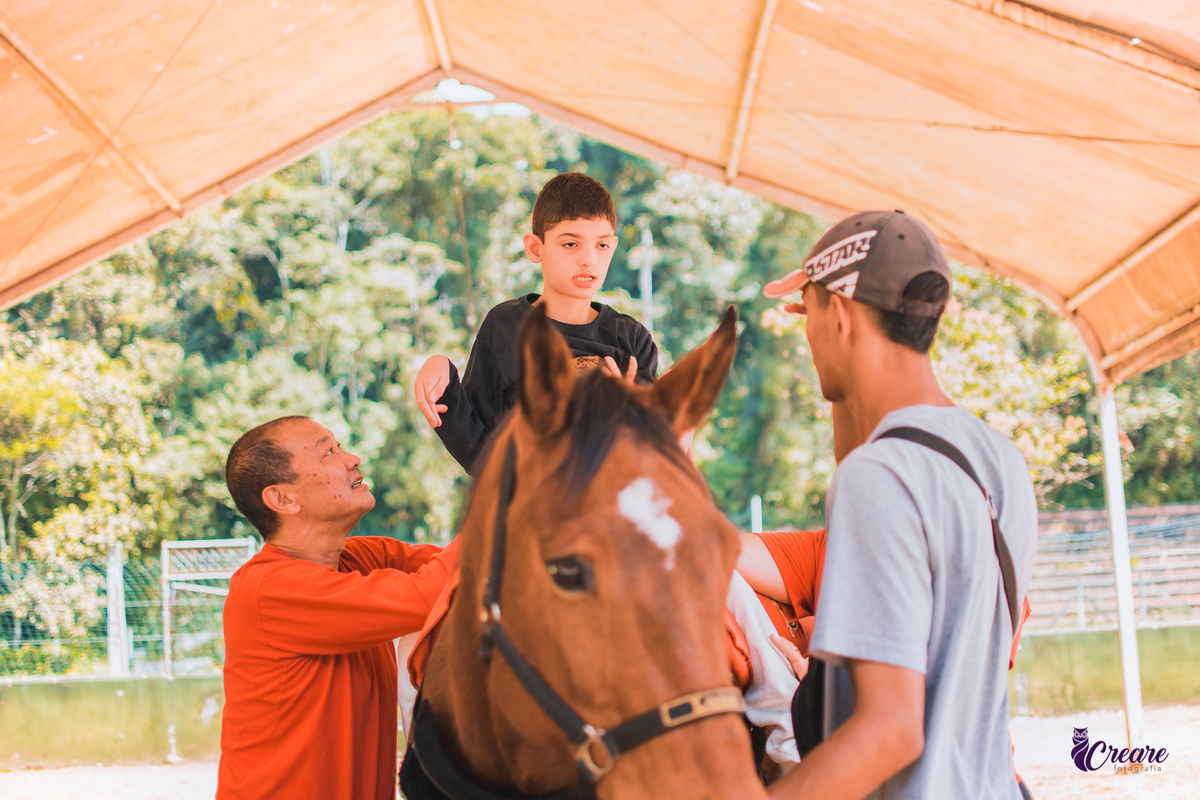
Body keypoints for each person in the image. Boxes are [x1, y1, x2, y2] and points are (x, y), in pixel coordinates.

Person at [761, 210, 1037, 800]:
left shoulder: (879, 476)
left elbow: (889, 732)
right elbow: (877, 448)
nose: (806, 336)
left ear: (839, 316)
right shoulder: (1000, 461)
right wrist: (834, 338)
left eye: (812, 319)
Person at [217, 415, 460, 800]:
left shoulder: (360, 558)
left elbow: (469, 571)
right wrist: (501, 499)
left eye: (340, 445)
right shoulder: (268, 589)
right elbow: (430, 594)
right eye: (328, 452)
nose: (352, 459)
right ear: (283, 499)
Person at [414, 172, 658, 473]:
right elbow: (480, 452)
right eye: (571, 244)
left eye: (602, 246)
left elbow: (653, 456)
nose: (589, 260)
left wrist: (627, 417)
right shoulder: (505, 327)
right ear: (535, 248)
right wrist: (441, 373)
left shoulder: (632, 340)